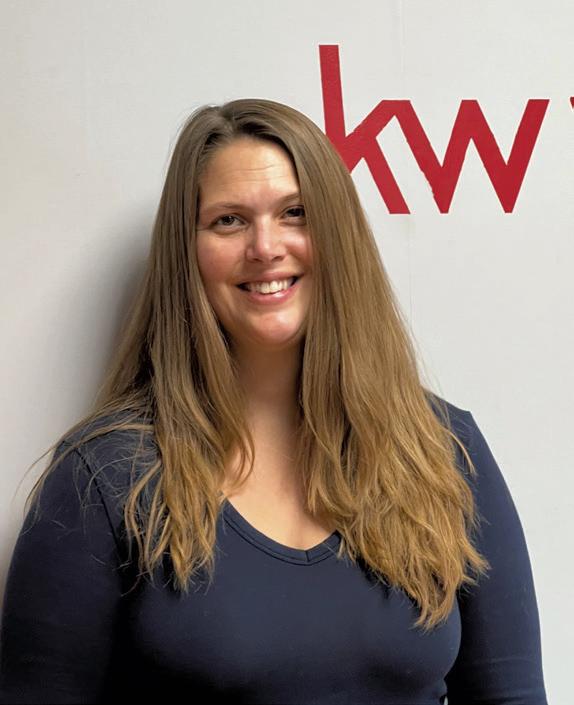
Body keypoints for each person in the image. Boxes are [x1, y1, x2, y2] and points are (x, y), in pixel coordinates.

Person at [0, 98, 547, 704]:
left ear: (339, 236)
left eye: (295, 213)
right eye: (229, 221)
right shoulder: (102, 477)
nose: (265, 247)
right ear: (187, 251)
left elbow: (512, 695)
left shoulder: (444, 450)